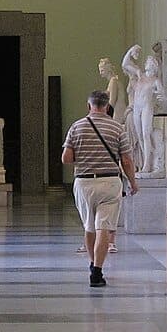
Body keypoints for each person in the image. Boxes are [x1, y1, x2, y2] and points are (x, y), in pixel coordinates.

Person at [61, 90, 137, 287]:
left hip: (84, 183)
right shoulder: (117, 128)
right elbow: (127, 160)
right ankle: (97, 272)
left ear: (89, 106)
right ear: (107, 107)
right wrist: (133, 182)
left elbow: (66, 158)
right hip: (110, 182)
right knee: (104, 227)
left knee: (89, 226)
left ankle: (92, 262)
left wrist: (85, 157)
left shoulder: (76, 127)